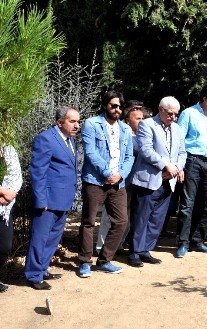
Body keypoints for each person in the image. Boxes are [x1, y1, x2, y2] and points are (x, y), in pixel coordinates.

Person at [78, 91, 135, 278]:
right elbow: (91, 152)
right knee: (89, 221)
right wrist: (108, 173)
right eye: (113, 105)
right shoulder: (92, 124)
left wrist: (120, 175)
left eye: (120, 106)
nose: (117, 109)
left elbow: (129, 157)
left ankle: (104, 260)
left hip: (118, 183)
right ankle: (85, 262)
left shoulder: (125, 129)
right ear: (105, 105)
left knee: (121, 221)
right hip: (95, 180)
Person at [127, 97, 187, 267]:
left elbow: (183, 153)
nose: (173, 117)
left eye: (176, 114)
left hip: (169, 180)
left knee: (157, 218)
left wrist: (175, 168)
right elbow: (146, 150)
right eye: (170, 113)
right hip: (148, 179)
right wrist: (165, 165)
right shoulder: (147, 125)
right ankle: (134, 252)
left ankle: (145, 249)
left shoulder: (178, 129)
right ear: (160, 109)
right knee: (141, 217)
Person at [25, 107, 79, 289]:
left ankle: (42, 269)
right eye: (72, 121)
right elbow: (37, 172)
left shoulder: (70, 141)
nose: (76, 125)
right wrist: (41, 200)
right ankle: (33, 275)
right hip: (48, 201)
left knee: (53, 239)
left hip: (62, 199)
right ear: (59, 122)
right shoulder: (46, 139)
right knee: (40, 238)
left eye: (78, 122)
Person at [175, 83, 207, 257]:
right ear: (205, 99)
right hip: (193, 161)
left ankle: (197, 240)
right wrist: (179, 165)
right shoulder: (188, 113)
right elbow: (180, 141)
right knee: (187, 204)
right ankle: (183, 242)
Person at [96, 100, 148, 253]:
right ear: (127, 120)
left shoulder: (143, 137)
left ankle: (117, 245)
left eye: (143, 118)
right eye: (138, 118)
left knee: (129, 216)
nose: (142, 121)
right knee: (110, 216)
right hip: (120, 181)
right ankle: (101, 248)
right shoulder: (121, 135)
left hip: (138, 183)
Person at [0, 144, 22, 292]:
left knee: (4, 246)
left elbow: (16, 175)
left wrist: (9, 193)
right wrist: (3, 191)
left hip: (3, 209)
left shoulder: (8, 147)